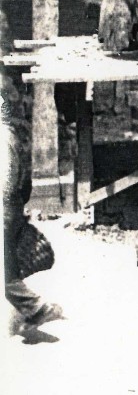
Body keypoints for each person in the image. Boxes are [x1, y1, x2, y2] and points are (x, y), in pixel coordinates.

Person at [5, 113, 62, 334]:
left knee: (5, 272)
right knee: (7, 269)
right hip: (13, 206)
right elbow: (25, 180)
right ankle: (36, 309)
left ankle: (37, 308)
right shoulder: (12, 135)